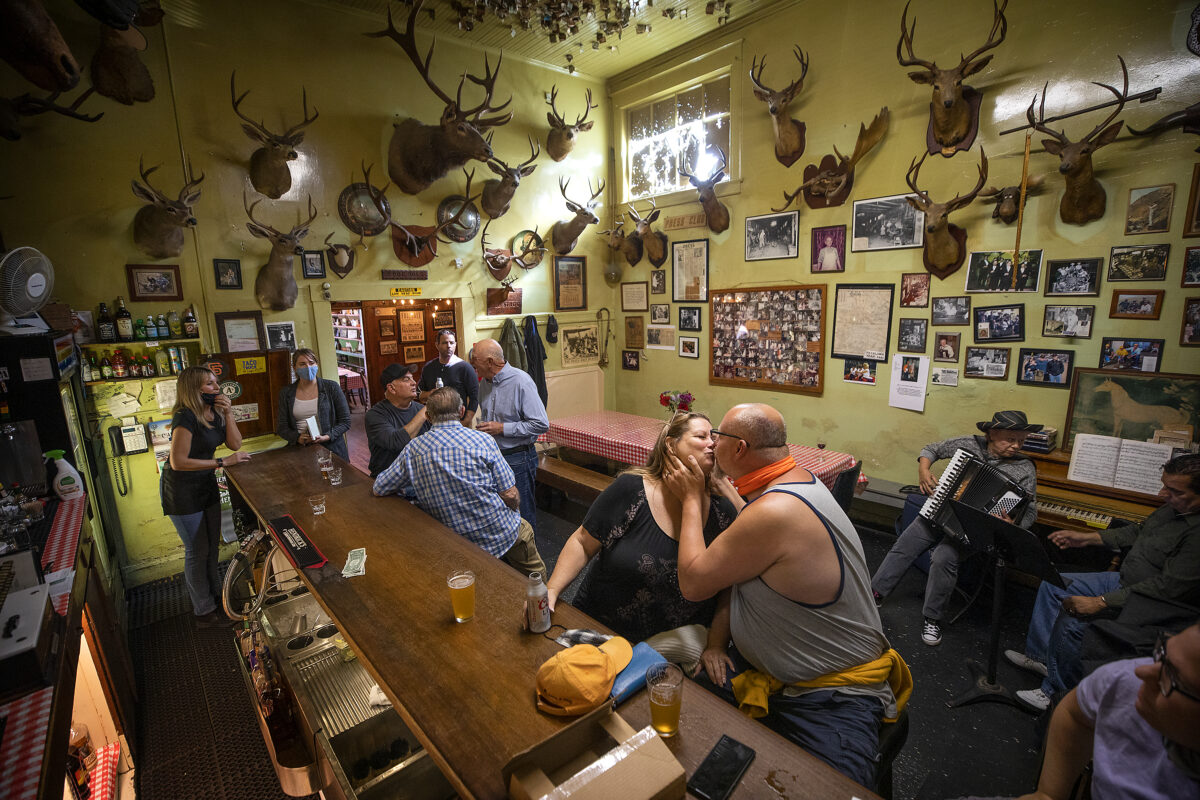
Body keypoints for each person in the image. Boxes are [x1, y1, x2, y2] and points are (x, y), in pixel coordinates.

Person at [663, 403, 909, 787]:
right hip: (781, 672)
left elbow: (693, 583)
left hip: (831, 697)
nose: (711, 444)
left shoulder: (774, 512)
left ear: (740, 449)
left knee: (830, 789)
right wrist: (727, 488)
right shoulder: (799, 479)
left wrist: (692, 499)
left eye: (718, 437)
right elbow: (757, 524)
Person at [1004, 454, 1200, 712]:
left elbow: (1166, 589)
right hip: (1123, 578)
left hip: (1149, 601)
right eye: (1164, 485)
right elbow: (1137, 531)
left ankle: (1054, 693)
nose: (1163, 493)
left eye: (1174, 490)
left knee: (1072, 621)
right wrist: (1087, 538)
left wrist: (1101, 602)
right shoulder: (1173, 508)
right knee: (1054, 584)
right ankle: (1041, 659)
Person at [543, 412, 740, 664]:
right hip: (601, 630)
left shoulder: (722, 512)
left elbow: (728, 588)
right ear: (670, 444)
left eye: (713, 438)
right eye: (701, 436)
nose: (712, 443)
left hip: (671, 652)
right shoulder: (631, 490)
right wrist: (552, 589)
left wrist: (716, 645)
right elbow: (583, 541)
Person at [958, 623, 1200, 800]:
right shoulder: (1125, 680)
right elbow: (1074, 714)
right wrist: (1049, 793)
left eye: (1172, 676)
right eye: (1163, 652)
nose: (1145, 672)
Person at [871, 410, 1041, 647]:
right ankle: (875, 593)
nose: (1016, 446)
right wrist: (924, 470)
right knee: (906, 544)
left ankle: (932, 618)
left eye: (1021, 441)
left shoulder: (1024, 468)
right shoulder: (970, 444)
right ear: (992, 433)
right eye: (1010, 439)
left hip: (972, 530)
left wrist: (1015, 525)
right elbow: (931, 449)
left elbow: (1031, 510)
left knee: (944, 556)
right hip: (942, 511)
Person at [372, 387, 546, 577]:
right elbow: (509, 493)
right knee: (535, 573)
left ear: (428, 417)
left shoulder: (413, 449)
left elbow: (379, 487)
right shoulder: (482, 440)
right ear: (462, 411)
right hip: (501, 533)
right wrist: (513, 509)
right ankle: (544, 603)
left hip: (456, 544)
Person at [159, 366, 251, 626]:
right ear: (195, 389)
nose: (216, 387)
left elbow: (235, 444)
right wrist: (222, 462)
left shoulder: (215, 413)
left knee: (212, 547)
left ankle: (216, 600)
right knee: (196, 551)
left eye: (216, 382)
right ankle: (203, 611)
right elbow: (178, 461)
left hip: (205, 483)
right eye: (209, 384)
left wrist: (228, 412)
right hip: (182, 490)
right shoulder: (185, 416)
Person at [471, 338, 549, 528]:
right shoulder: (485, 383)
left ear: (490, 362)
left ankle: (529, 556)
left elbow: (541, 424)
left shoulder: (521, 381)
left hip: (518, 458)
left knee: (522, 515)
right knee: (499, 512)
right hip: (494, 456)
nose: (474, 368)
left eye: (476, 363)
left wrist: (502, 428)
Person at [275, 348, 351, 460]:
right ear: (294, 368)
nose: (308, 367)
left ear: (317, 365)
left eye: (311, 363)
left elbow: (345, 421)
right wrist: (297, 438)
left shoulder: (331, 387)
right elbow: (282, 427)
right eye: (302, 364)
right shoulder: (286, 393)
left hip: (332, 449)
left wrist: (327, 436)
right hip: (301, 451)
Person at [365, 363, 430, 478]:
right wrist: (427, 408)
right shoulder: (375, 415)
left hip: (419, 478)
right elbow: (395, 442)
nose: (414, 383)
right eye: (406, 379)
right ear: (391, 388)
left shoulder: (421, 410)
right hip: (387, 481)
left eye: (413, 378)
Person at [417, 329, 479, 426]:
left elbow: (474, 398)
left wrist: (467, 420)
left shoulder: (465, 368)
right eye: (445, 343)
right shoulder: (428, 368)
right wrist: (430, 393)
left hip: (458, 422)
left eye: (451, 342)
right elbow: (419, 394)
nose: (449, 346)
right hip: (433, 424)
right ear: (437, 345)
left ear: (455, 344)